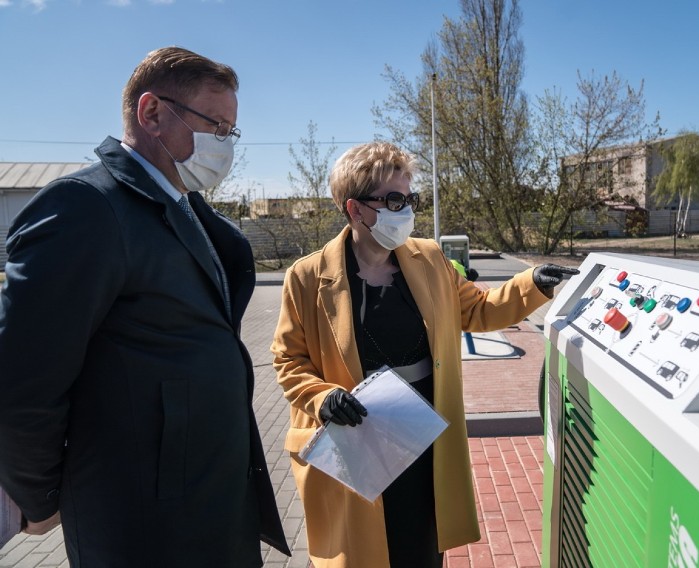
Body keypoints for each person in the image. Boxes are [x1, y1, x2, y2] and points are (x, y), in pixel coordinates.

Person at [0, 47, 289, 566]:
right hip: (144, 522)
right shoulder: (86, 207)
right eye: (215, 126)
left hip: (211, 504)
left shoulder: (188, 210)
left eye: (230, 131)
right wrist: (39, 495)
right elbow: (22, 381)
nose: (225, 145)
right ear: (151, 112)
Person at [270, 141, 577, 568]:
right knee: (363, 551)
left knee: (418, 545)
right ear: (354, 209)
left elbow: (477, 309)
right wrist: (321, 398)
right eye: (393, 200)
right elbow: (288, 359)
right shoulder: (305, 277)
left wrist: (533, 284)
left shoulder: (431, 258)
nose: (406, 211)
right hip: (355, 438)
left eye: (409, 198)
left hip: (421, 436)